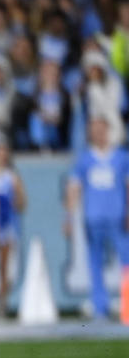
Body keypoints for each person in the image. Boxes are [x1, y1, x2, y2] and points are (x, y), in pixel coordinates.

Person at [65, 116, 129, 320]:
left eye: (101, 129)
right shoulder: (84, 159)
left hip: (118, 217)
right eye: (94, 130)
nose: (98, 134)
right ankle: (99, 306)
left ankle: (126, 306)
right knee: (95, 263)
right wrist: (68, 215)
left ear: (108, 130)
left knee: (126, 261)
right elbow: (74, 187)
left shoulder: (121, 157)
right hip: (93, 218)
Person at [0, 139, 26, 318]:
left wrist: (12, 200)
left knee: (5, 266)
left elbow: (22, 203)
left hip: (7, 226)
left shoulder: (11, 177)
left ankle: (1, 303)